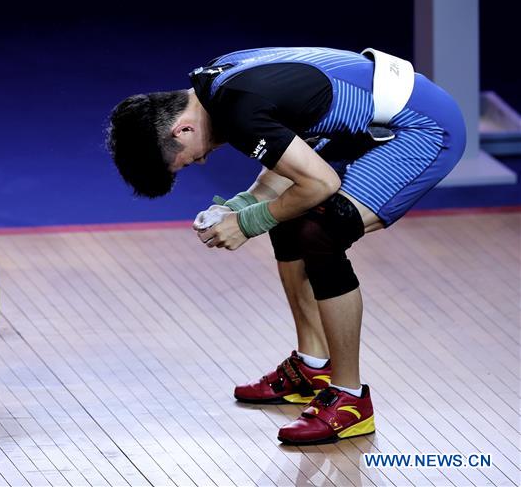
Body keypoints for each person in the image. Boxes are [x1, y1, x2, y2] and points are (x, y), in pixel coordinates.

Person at [105, 46, 465, 445]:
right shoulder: (215, 83)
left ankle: (350, 400)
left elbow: (320, 184)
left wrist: (247, 223)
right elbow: (293, 159)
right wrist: (244, 205)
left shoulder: (240, 111)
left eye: (188, 160)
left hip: (424, 126)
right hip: (372, 116)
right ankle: (313, 364)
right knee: (288, 211)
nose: (201, 162)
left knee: (321, 231)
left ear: (182, 131)